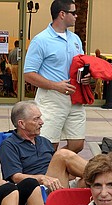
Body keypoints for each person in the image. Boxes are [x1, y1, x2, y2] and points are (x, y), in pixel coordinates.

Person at [23, 0, 87, 154]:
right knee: (49, 146)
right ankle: (51, 168)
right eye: (73, 13)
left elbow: (82, 65)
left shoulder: (75, 39)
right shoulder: (41, 40)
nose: (76, 16)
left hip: (75, 98)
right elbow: (28, 74)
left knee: (77, 144)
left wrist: (86, 76)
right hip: (51, 99)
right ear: (62, 14)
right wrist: (55, 86)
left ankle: (58, 165)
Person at [0, 100, 88, 192]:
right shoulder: (9, 145)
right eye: (36, 119)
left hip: (58, 184)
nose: (41, 122)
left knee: (90, 181)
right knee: (62, 155)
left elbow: (60, 170)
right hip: (37, 189)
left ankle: (96, 174)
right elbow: (16, 177)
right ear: (21, 124)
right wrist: (41, 178)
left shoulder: (44, 141)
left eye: (40, 117)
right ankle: (97, 173)